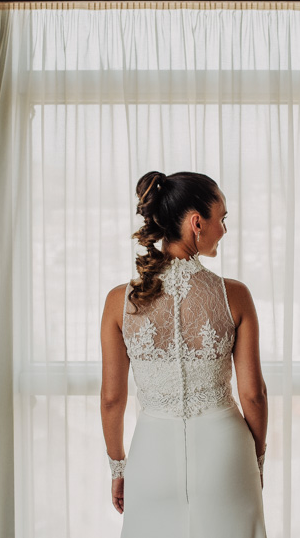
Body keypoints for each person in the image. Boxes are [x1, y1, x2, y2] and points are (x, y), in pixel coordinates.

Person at [100, 171, 268, 538]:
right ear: (197, 223)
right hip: (225, 454)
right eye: (221, 219)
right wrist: (256, 461)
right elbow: (253, 394)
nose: (224, 229)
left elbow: (112, 399)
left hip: (151, 456)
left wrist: (118, 467)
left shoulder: (119, 302)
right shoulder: (235, 296)